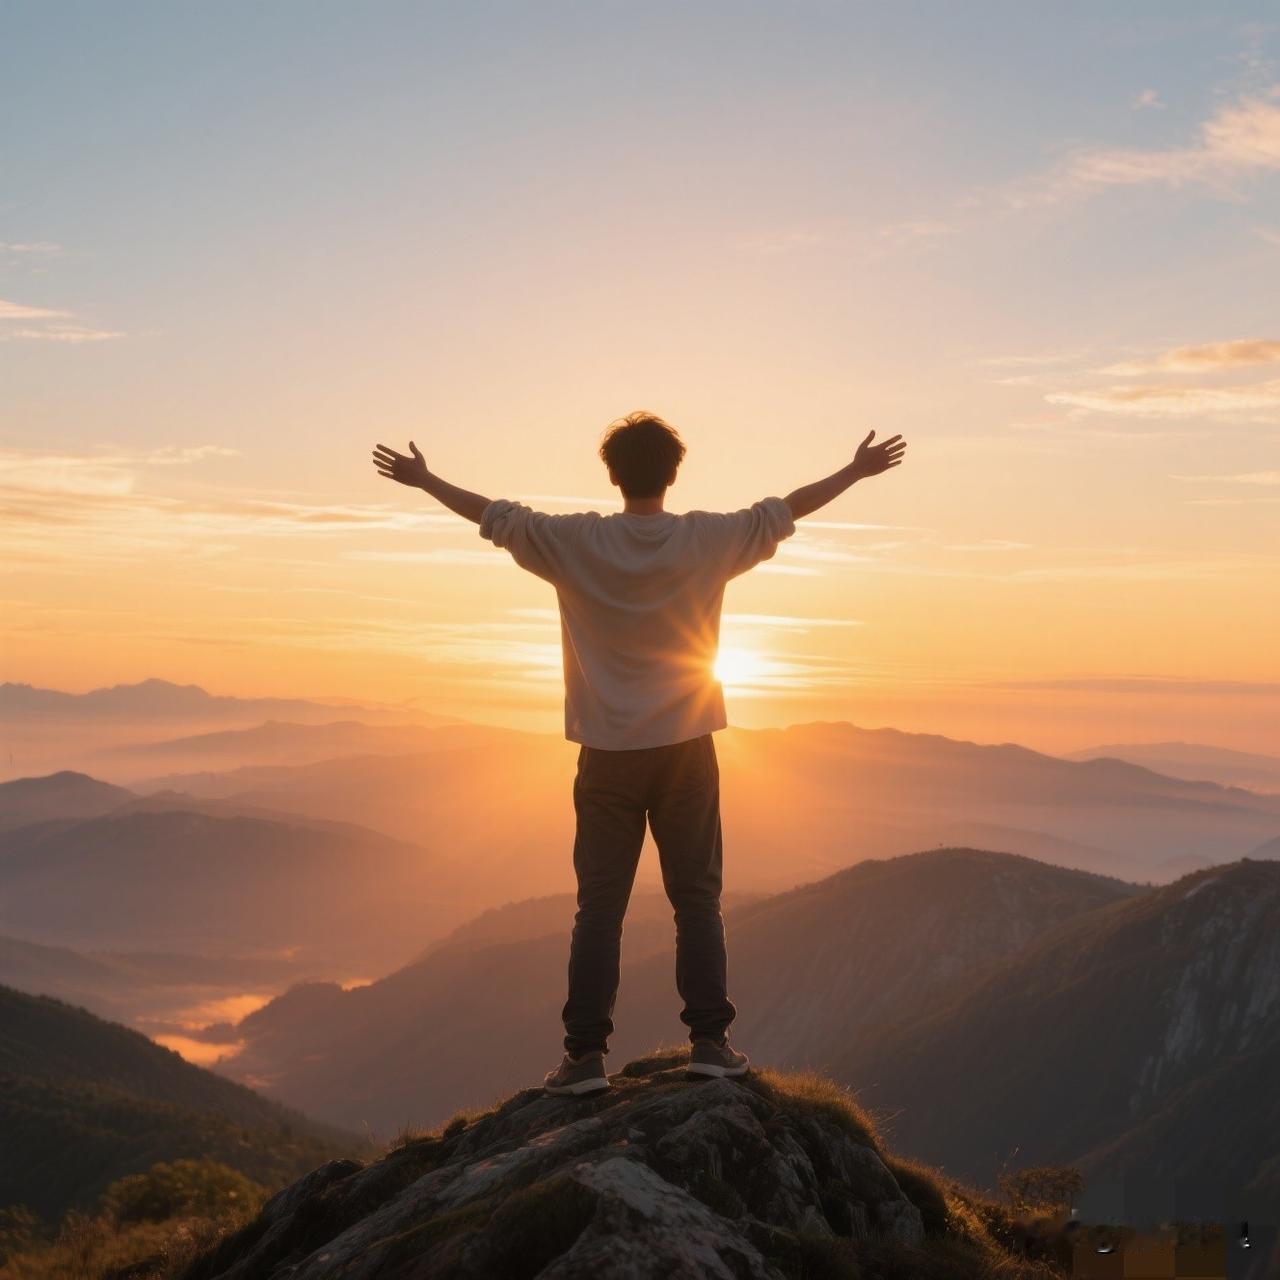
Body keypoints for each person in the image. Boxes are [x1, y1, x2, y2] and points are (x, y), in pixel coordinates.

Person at [371, 412, 907, 1095]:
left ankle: (585, 1057)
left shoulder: (575, 541)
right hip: (687, 749)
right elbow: (786, 509)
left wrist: (424, 480)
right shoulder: (705, 539)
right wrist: (855, 472)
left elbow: (493, 515)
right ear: (673, 472)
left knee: (599, 908)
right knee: (697, 901)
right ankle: (711, 1044)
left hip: (607, 752)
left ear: (613, 473)